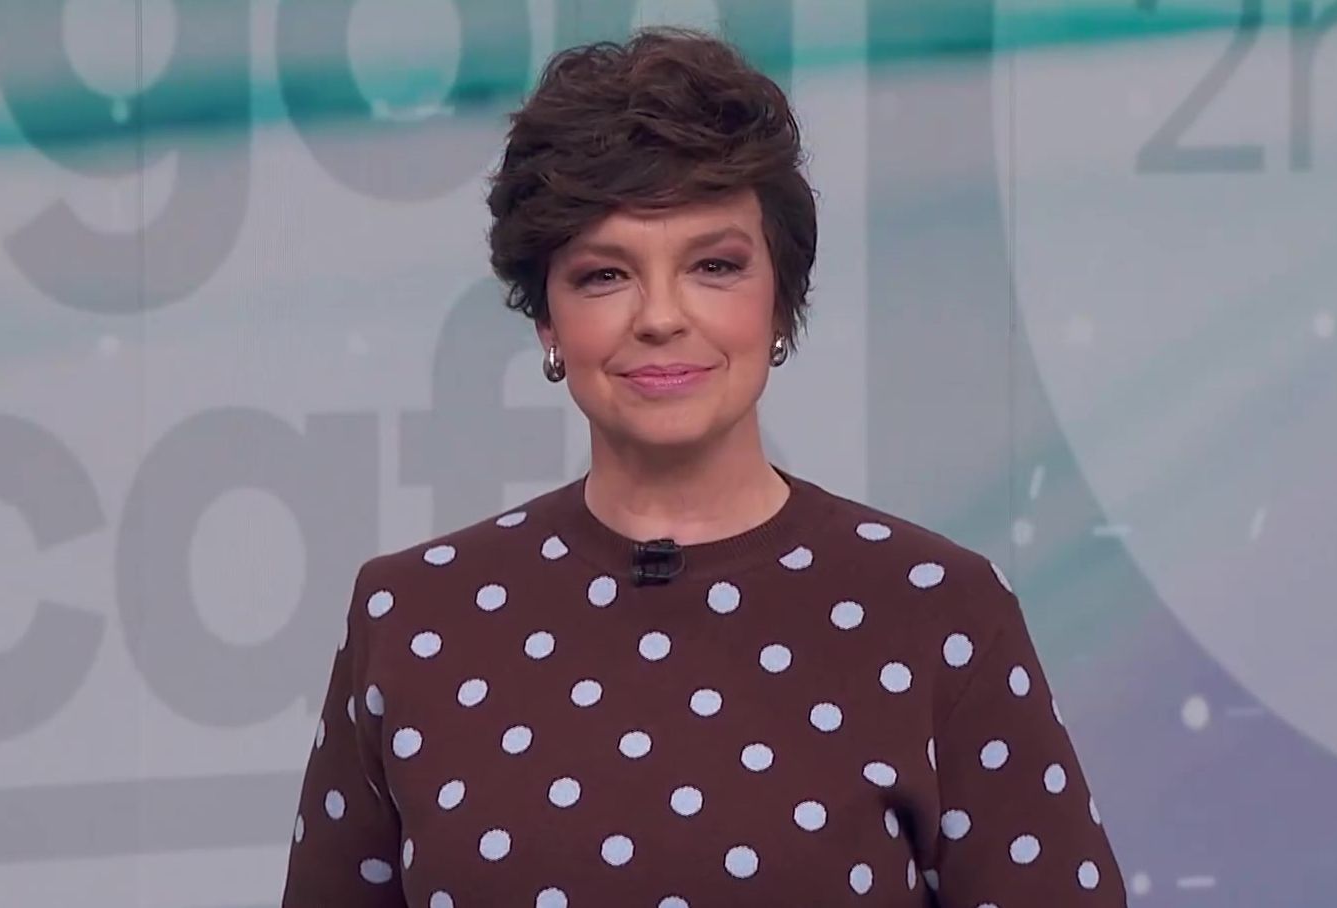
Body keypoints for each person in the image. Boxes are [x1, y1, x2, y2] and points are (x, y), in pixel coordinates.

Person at [281, 26, 1125, 907]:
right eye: (604, 275)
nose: (660, 317)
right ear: (546, 322)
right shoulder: (412, 618)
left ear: (780, 303)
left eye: (713, 266)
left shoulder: (936, 611)